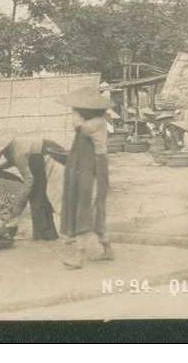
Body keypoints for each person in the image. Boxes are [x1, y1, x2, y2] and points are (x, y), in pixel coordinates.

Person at [59, 86, 114, 269]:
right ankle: (107, 249)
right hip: (86, 166)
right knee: (94, 207)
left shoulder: (94, 124)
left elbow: (81, 128)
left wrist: (78, 121)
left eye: (76, 110)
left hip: (93, 167)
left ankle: (79, 255)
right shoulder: (93, 122)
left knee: (85, 207)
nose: (73, 112)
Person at [0, 135, 64, 241]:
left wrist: (20, 201)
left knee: (37, 197)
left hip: (45, 155)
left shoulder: (16, 152)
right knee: (37, 197)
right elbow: (13, 162)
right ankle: (46, 234)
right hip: (37, 156)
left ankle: (45, 235)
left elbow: (29, 179)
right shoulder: (9, 149)